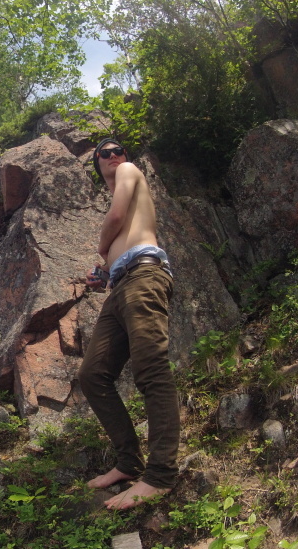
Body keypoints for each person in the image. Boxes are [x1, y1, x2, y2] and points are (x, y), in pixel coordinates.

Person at [78, 138, 179, 510]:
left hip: (145, 275)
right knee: (93, 374)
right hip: (120, 285)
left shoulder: (128, 171)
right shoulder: (120, 184)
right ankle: (128, 463)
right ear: (96, 164)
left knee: (151, 368)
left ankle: (160, 475)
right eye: (104, 153)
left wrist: (103, 252)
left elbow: (117, 218)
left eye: (118, 149)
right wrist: (105, 273)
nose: (114, 155)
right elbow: (121, 222)